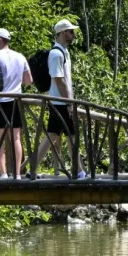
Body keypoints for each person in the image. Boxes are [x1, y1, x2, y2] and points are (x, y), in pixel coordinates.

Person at [33, 20, 85, 179]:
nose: (73, 35)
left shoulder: (64, 52)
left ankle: (32, 170)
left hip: (60, 103)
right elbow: (59, 79)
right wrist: (70, 102)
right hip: (60, 103)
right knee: (71, 136)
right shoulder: (56, 54)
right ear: (62, 33)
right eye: (70, 31)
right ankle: (80, 172)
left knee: (52, 136)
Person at [0, 28, 32, 179]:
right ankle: (18, 174)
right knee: (16, 139)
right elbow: (28, 81)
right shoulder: (20, 57)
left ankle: (3, 173)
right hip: (15, 101)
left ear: (0, 40)